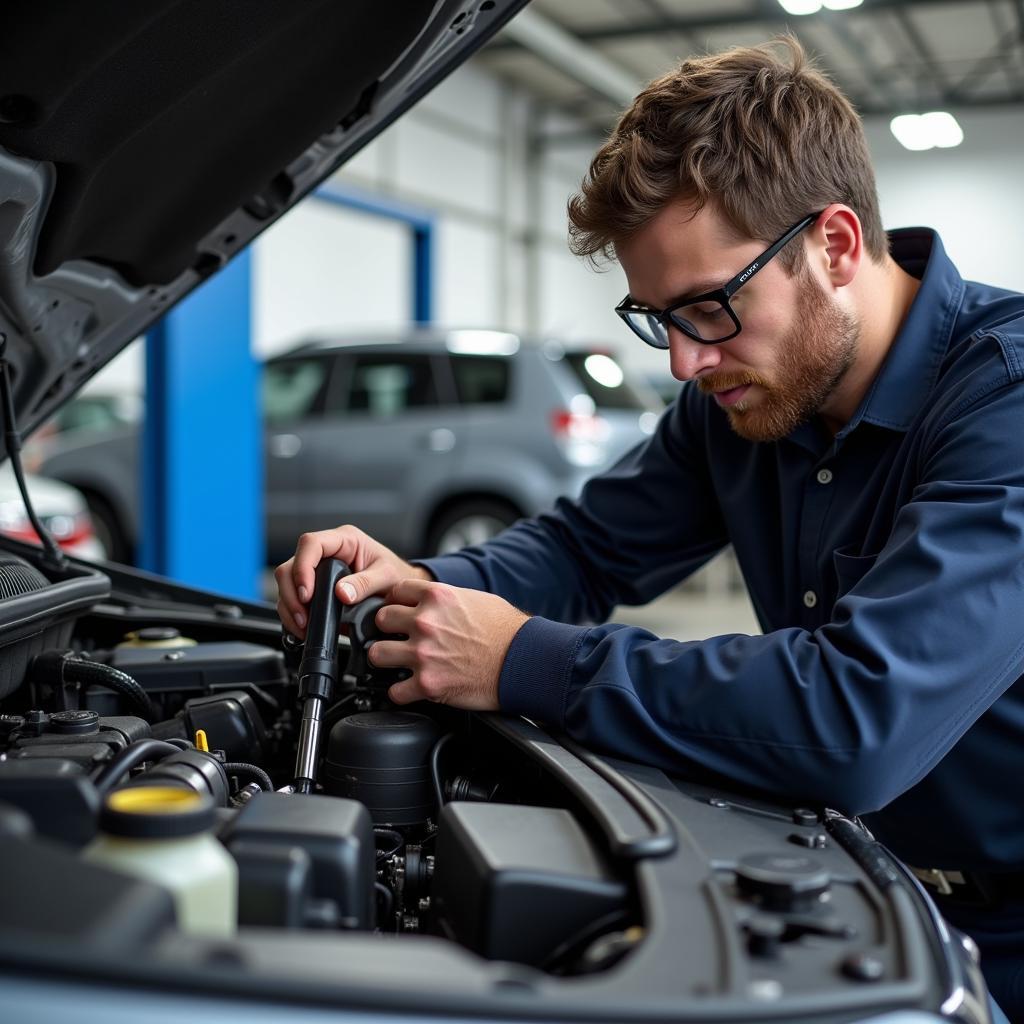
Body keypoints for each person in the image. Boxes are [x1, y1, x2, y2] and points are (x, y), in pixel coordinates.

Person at [277, 39, 1024, 1019]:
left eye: (708, 309)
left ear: (835, 245)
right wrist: (414, 586)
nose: (681, 362)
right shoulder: (743, 399)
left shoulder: (1002, 405)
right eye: (654, 318)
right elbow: (581, 551)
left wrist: (531, 662)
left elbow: (857, 717)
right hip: (866, 885)